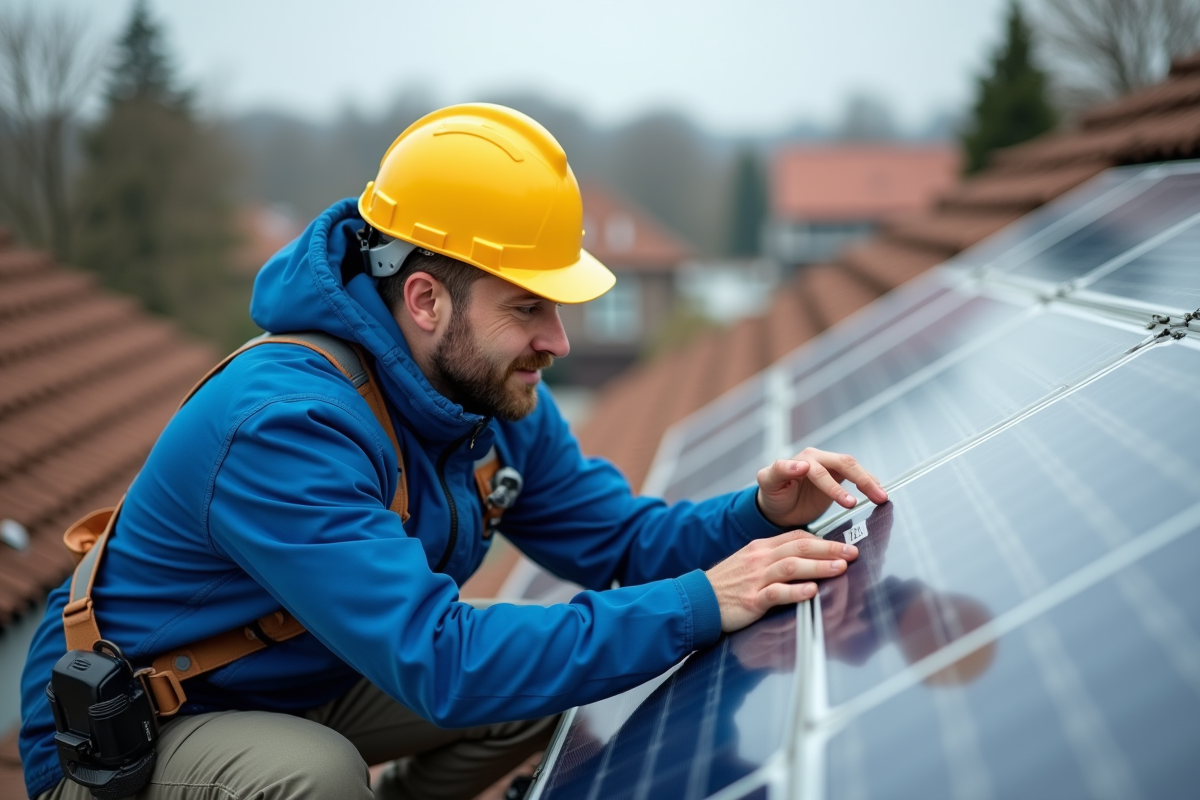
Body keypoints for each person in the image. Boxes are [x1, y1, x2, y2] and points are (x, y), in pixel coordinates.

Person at [19, 104, 888, 800]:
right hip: (132, 736)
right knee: (312, 777)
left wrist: (759, 515)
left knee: (543, 697)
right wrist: (700, 602)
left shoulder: (485, 396)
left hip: (303, 678)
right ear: (427, 300)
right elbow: (444, 663)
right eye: (527, 307)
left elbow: (618, 542)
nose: (558, 340)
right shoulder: (283, 427)